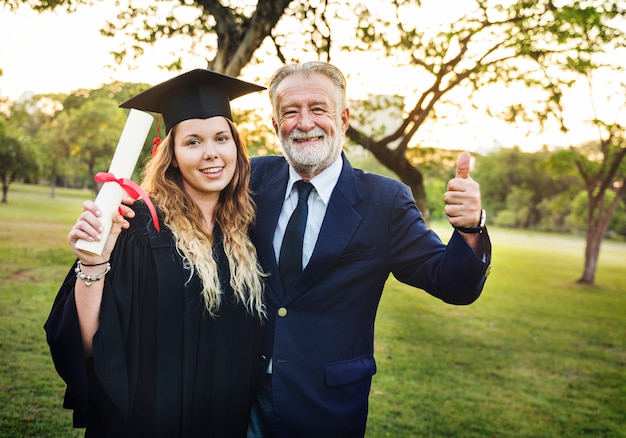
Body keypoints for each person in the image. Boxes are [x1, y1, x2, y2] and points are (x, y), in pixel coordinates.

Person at [246, 61, 492, 437]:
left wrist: (470, 226)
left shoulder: (385, 200)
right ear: (275, 124)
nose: (304, 122)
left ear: (343, 118)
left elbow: (453, 283)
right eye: (290, 112)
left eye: (318, 109)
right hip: (240, 399)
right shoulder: (249, 179)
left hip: (327, 406)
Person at [45, 69, 268, 438]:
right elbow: (85, 345)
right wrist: (92, 262)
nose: (211, 153)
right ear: (172, 155)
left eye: (221, 138)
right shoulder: (136, 228)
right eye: (193, 142)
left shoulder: (248, 234)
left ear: (236, 147)